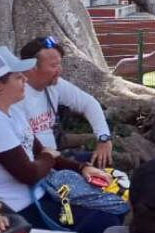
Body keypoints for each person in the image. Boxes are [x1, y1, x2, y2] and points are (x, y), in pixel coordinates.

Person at [0, 46, 120, 233]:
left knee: (111, 211)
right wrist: (48, 157)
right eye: (18, 77)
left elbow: (40, 152)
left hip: (40, 194)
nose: (25, 80)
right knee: (104, 222)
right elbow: (29, 174)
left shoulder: (11, 109)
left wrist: (83, 168)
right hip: (16, 212)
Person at [17, 36, 115, 168]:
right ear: (32, 67)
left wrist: (103, 138)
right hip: (35, 164)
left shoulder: (54, 85)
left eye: (59, 64)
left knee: (104, 161)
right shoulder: (15, 96)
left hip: (55, 158)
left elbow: (89, 103)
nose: (60, 70)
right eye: (54, 65)